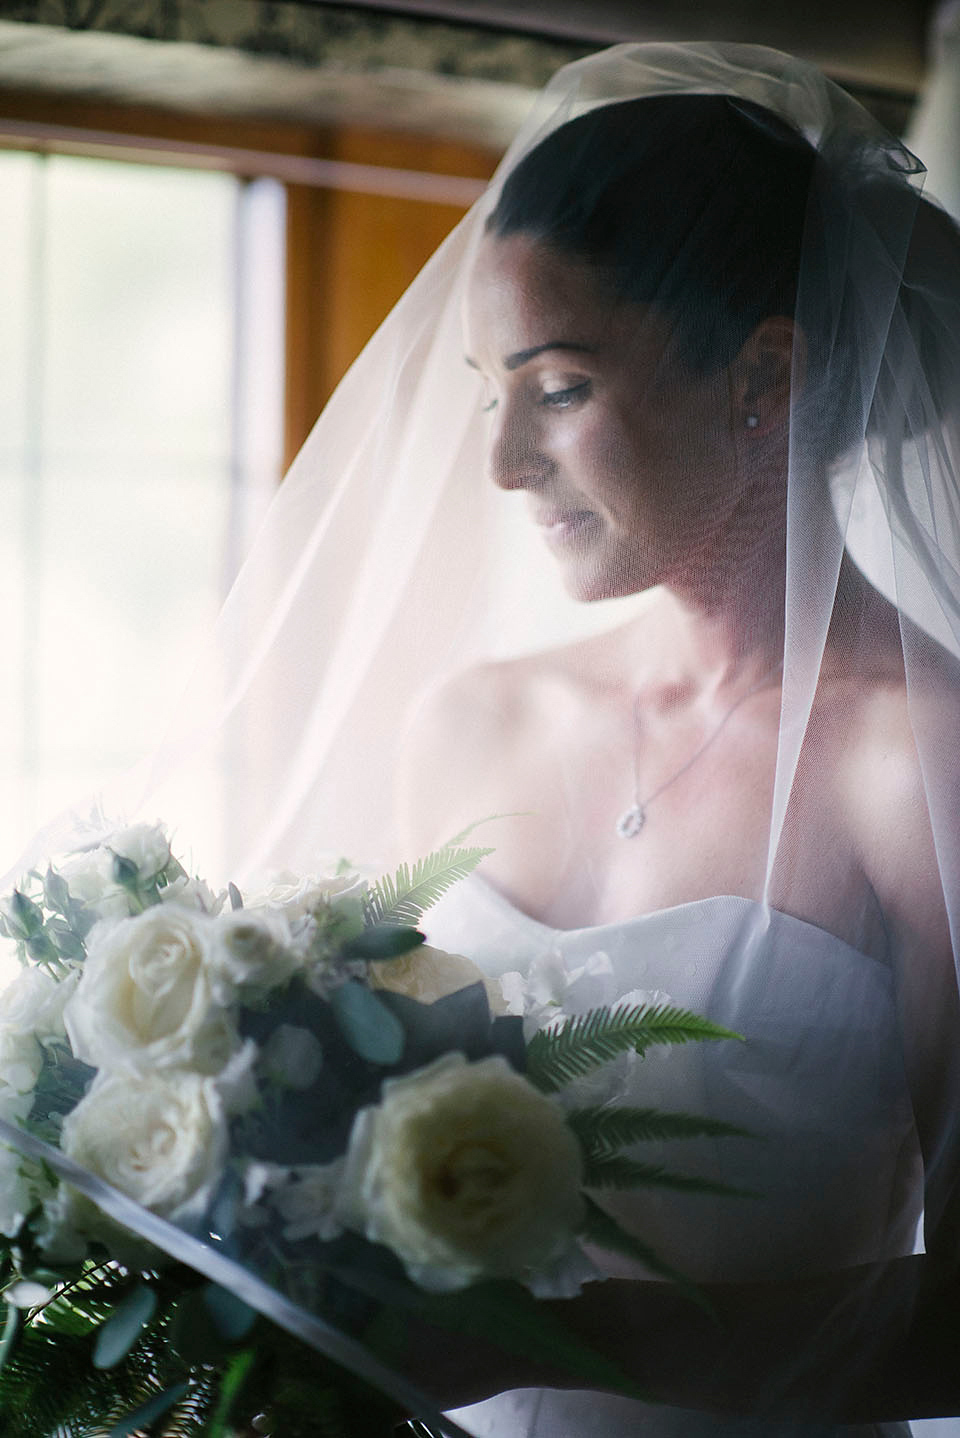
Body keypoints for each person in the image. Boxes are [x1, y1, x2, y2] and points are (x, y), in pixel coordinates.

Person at [11, 39, 960, 1438]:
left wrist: (569, 1345)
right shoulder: (470, 727)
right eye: (484, 388)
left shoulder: (922, 760)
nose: (503, 460)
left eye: (560, 387)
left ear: (764, 378)